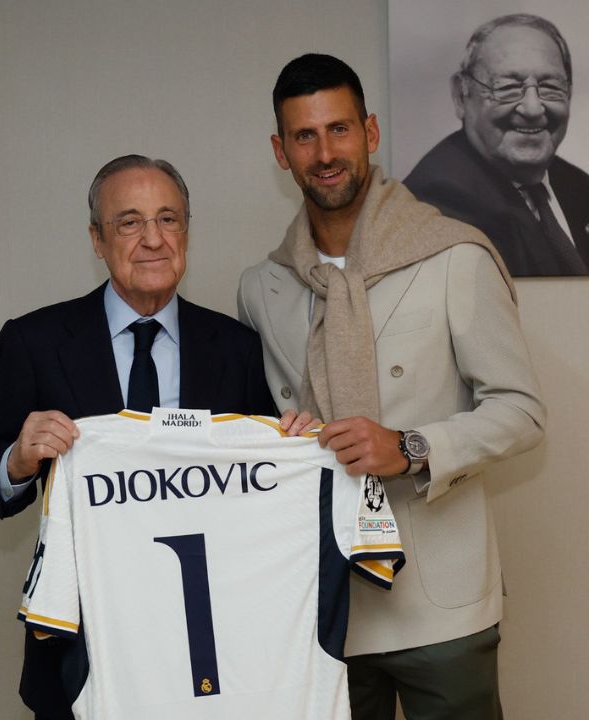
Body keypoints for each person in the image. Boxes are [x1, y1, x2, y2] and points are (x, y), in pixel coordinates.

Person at [239, 54, 545, 719]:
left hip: (442, 604)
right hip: (326, 600)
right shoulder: (263, 289)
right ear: (280, 151)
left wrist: (408, 446)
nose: (325, 152)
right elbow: (267, 434)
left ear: (370, 133)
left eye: (339, 130)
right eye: (304, 136)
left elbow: (522, 412)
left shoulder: (454, 256)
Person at [0, 154, 278, 719]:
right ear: (97, 239)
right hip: (83, 643)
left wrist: (292, 443)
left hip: (212, 646)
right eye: (129, 222)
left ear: (187, 231)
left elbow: (267, 496)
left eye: (168, 219)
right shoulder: (34, 341)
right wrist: (17, 459)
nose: (152, 239)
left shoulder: (236, 348)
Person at [404, 13, 589, 276]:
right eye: (507, 87)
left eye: (550, 86)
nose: (533, 108)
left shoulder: (576, 185)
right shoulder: (439, 202)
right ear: (461, 96)